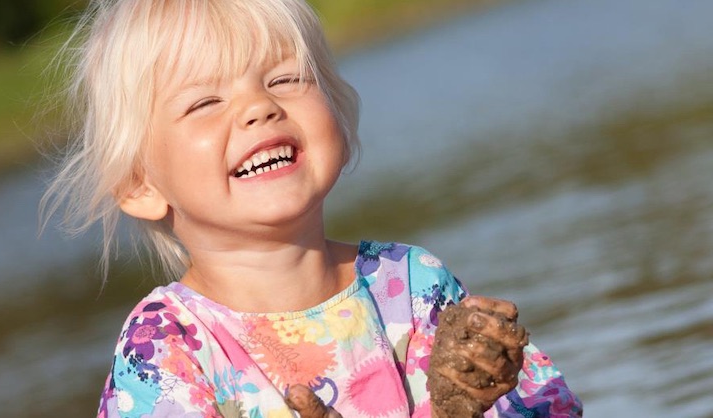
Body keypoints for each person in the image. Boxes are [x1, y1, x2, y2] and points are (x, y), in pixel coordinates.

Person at [40, 0, 583, 417]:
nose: (259, 106)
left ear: (338, 120)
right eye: (205, 102)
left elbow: (548, 405)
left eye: (285, 78)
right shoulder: (166, 345)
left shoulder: (411, 284)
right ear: (140, 185)